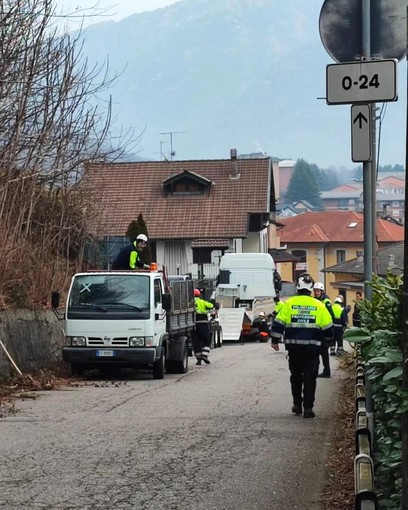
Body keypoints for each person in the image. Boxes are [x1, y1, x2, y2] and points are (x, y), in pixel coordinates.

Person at [270, 273, 333, 418]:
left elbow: (278, 323)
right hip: (312, 348)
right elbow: (328, 327)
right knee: (310, 377)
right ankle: (308, 408)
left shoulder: (289, 304)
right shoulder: (319, 305)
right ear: (311, 289)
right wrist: (329, 341)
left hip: (294, 348)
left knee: (296, 376)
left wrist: (274, 340)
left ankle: (297, 404)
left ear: (297, 287)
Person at [313, 282, 335, 378]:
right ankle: (315, 370)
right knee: (316, 352)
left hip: (324, 331)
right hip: (316, 330)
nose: (316, 293)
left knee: (324, 352)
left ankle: (327, 371)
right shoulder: (314, 301)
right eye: (315, 291)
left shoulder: (326, 301)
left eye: (318, 291)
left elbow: (331, 316)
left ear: (322, 291)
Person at [193, 288, 214, 365]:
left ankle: (198, 359)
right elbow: (211, 306)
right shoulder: (202, 302)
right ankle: (204, 355)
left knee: (196, 342)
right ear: (199, 295)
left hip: (194, 325)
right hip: (203, 323)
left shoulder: (189, 303)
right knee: (206, 339)